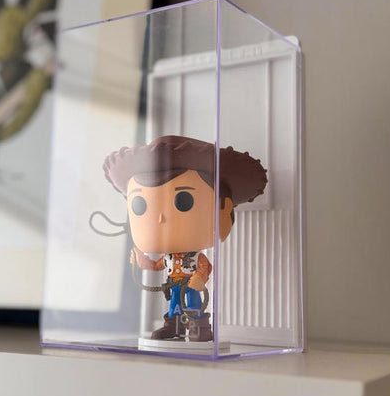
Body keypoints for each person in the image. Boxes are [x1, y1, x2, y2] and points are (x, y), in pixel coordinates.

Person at [103, 135, 267, 341]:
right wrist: (143, 261)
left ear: (223, 208)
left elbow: (205, 266)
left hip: (190, 284)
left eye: (184, 200)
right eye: (139, 205)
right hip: (174, 284)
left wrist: (200, 277)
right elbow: (157, 265)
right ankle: (173, 326)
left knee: (194, 303)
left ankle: (200, 328)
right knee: (174, 306)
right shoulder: (169, 257)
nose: (161, 218)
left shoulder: (194, 256)